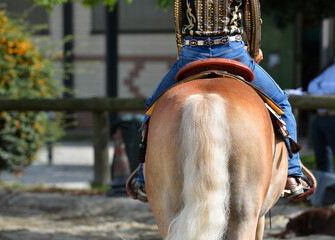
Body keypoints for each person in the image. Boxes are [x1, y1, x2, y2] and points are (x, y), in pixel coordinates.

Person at [127, 0, 310, 203]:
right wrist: (254, 49)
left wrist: (183, 52)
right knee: (282, 104)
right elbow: (251, 18)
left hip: (192, 53)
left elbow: (179, 19)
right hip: (233, 51)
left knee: (152, 106)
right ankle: (292, 174)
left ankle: (144, 179)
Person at [308, 58, 335, 172]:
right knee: (321, 158)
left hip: (332, 117)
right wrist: (326, 93)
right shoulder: (330, 68)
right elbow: (312, 86)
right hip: (321, 117)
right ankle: (327, 186)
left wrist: (322, 88)